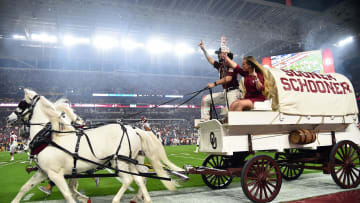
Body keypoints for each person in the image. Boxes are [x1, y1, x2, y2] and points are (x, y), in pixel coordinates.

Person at [199, 40, 242, 122]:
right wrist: (203, 49)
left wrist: (214, 83)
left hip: (233, 92)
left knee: (232, 116)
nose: (218, 55)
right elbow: (210, 60)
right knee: (206, 99)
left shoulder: (231, 64)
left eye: (219, 53)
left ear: (225, 54)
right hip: (226, 92)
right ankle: (205, 120)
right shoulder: (221, 66)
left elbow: (228, 78)